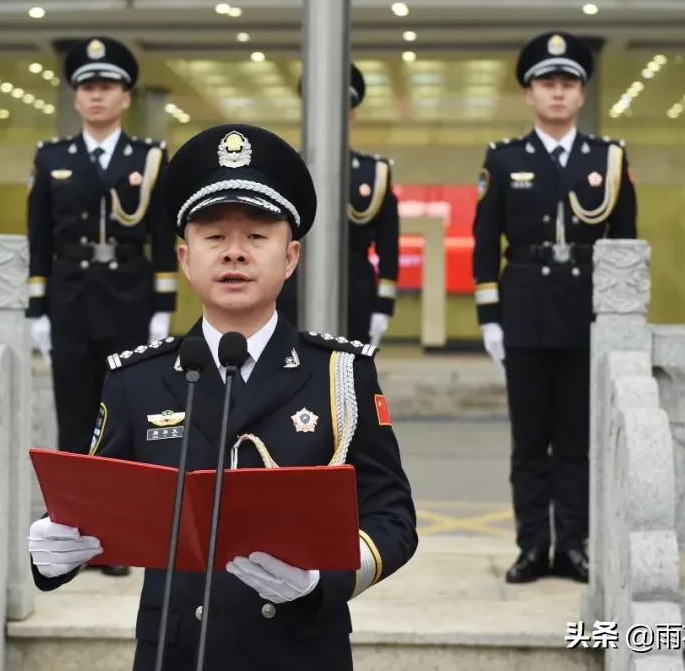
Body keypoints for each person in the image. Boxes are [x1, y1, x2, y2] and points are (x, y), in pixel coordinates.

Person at [28, 124, 418, 671]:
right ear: (185, 258)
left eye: (256, 236)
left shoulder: (339, 374)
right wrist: (52, 551)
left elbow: (392, 516)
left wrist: (323, 578)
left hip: (300, 650)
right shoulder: (137, 380)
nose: (234, 253)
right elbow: (93, 507)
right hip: (178, 651)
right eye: (214, 238)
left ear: (290, 257)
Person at [472, 32, 637, 585]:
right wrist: (490, 319)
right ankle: (531, 547)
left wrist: (621, 318)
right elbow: (484, 242)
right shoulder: (505, 158)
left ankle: (573, 546)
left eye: (568, 83)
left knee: (575, 443)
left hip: (586, 316)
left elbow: (625, 245)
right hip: (524, 314)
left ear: (582, 94)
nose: (559, 92)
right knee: (529, 444)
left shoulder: (608, 158)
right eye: (548, 83)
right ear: (530, 94)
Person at [26, 35, 178, 458]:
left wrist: (163, 309)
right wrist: (37, 310)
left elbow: (162, 235)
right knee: (74, 413)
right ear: (75, 99)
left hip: (129, 298)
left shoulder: (148, 157)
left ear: (125, 98)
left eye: (106, 87)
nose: (96, 96)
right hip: (69, 300)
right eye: (87, 88)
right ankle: (73, 498)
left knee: (129, 408)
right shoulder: (52, 158)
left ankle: (127, 493)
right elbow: (39, 237)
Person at [277, 63, 400, 347]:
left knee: (348, 372)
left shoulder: (373, 173)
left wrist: (384, 305)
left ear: (351, 115)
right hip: (292, 292)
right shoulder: (285, 167)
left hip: (354, 296)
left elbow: (388, 246)